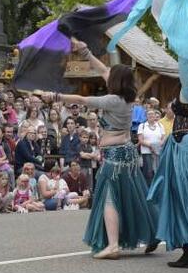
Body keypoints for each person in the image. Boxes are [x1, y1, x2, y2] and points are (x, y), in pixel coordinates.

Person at [38, 39, 158, 260]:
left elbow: (83, 99)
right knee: (134, 195)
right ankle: (152, 233)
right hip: (126, 152)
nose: (107, 73)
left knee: (110, 197)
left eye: (111, 74)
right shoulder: (127, 94)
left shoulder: (113, 100)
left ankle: (113, 246)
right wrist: (85, 51)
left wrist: (56, 96)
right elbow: (102, 69)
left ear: (116, 81)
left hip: (116, 155)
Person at [137, 110, 165, 182]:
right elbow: (140, 140)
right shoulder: (142, 126)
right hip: (146, 151)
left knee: (158, 170)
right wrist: (151, 146)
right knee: (148, 172)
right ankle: (148, 189)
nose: (151, 115)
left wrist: (156, 146)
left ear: (155, 116)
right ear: (146, 116)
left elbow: (163, 138)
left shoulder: (160, 125)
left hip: (158, 151)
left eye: (152, 114)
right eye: (149, 114)